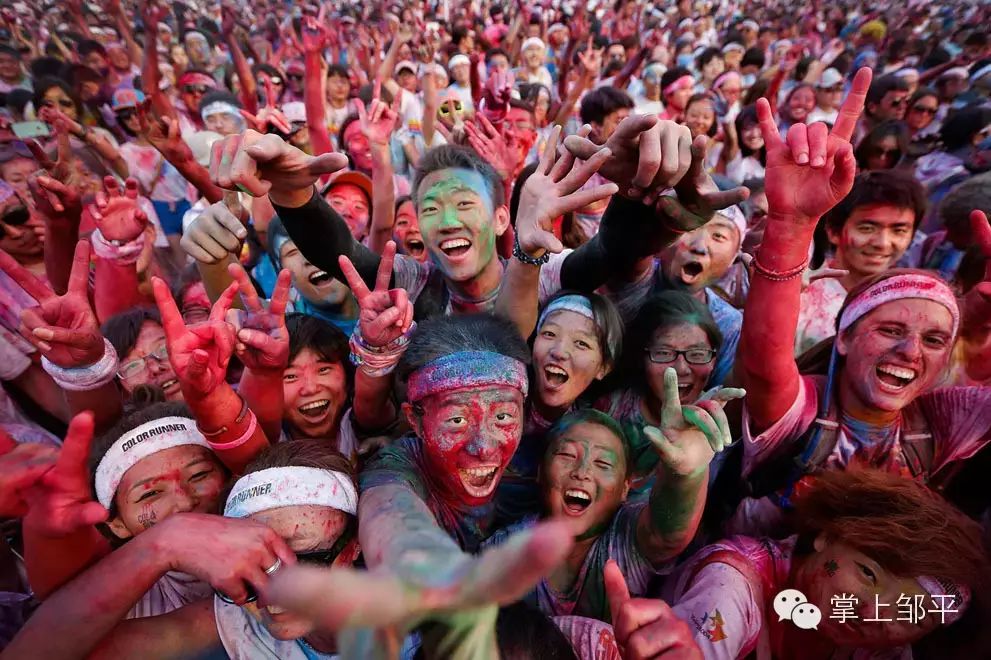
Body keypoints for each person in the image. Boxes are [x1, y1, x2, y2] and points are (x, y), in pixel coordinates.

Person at [736, 68, 991, 537]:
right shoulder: (804, 409)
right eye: (891, 331)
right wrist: (790, 227)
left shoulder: (937, 422)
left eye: (934, 339)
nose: (910, 353)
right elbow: (764, 360)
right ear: (845, 337)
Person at [664, 469, 991, 660]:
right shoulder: (730, 588)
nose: (871, 612)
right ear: (826, 534)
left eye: (910, 612)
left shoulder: (884, 649)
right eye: (868, 574)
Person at [797, 171, 925, 355]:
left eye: (898, 231)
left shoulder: (915, 302)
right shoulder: (800, 296)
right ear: (833, 231)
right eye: (867, 228)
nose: (882, 243)